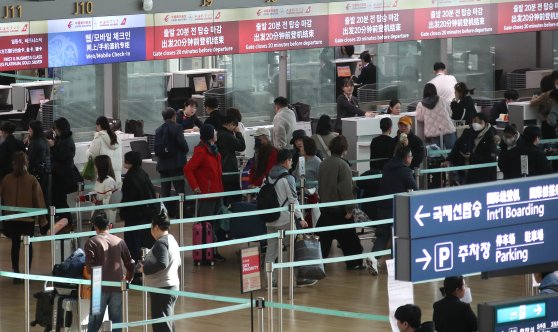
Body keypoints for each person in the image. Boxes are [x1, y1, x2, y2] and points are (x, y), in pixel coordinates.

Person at [264, 149, 315, 287]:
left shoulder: (268, 177)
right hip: (286, 219)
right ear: (286, 161)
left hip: (270, 219)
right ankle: (299, 278)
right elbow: (293, 200)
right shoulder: (288, 178)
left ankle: (270, 281)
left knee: (271, 250)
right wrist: (301, 218)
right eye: (291, 160)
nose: (291, 163)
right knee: (293, 249)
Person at [317, 135, 364, 270]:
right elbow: (346, 189)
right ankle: (354, 263)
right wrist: (350, 209)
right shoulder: (343, 165)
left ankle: (316, 263)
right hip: (340, 209)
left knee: (323, 240)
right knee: (350, 239)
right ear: (344, 149)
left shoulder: (323, 163)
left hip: (326, 208)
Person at [369, 146, 417, 275]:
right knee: (398, 235)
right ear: (406, 158)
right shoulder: (405, 171)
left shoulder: (387, 166)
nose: (412, 158)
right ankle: (396, 264)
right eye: (411, 156)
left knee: (383, 234)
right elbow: (414, 187)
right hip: (396, 207)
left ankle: (373, 257)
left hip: (382, 205)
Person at [0, 152, 47, 283]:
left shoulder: (6, 179)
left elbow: (2, 195)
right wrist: (43, 220)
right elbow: (38, 200)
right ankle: (27, 273)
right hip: (27, 219)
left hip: (11, 218)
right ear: (27, 163)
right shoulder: (32, 180)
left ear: (13, 163)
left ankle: (16, 273)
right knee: (28, 245)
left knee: (15, 245)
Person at [85, 213, 134, 332]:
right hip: (117, 285)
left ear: (95, 227)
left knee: (94, 323)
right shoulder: (119, 241)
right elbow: (130, 263)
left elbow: (89, 268)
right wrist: (128, 278)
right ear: (110, 226)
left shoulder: (91, 242)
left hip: (98, 287)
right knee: (116, 322)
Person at [183, 124, 226, 261]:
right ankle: (205, 253)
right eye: (214, 132)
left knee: (214, 225)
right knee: (207, 224)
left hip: (216, 192)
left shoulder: (213, 151)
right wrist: (195, 187)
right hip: (207, 194)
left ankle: (212, 251)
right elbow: (188, 169)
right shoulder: (202, 151)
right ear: (210, 136)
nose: (216, 134)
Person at [138, 211, 181, 332]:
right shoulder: (172, 240)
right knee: (167, 323)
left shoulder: (161, 243)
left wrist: (144, 268)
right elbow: (177, 262)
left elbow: (162, 263)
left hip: (162, 289)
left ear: (156, 227)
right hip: (171, 286)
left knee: (161, 326)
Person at [120, 151, 157, 263]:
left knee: (133, 242)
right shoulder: (142, 173)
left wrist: (122, 211)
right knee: (143, 241)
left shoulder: (130, 177)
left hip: (134, 215)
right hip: (145, 214)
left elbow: (128, 198)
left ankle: (136, 267)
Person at [154, 108, 189, 217]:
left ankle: (166, 214)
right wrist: (186, 150)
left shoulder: (158, 129)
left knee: (165, 190)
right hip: (176, 164)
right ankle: (181, 213)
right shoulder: (177, 127)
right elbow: (182, 144)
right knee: (180, 189)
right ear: (174, 116)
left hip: (162, 165)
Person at [446, 113, 498, 184]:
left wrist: (472, 157)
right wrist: (449, 159)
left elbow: (490, 157)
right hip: (466, 170)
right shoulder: (468, 132)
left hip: (483, 174)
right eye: (474, 121)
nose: (476, 124)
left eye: (480, 122)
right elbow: (457, 145)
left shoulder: (491, 136)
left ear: (485, 123)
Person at [49, 117, 78, 223]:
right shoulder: (62, 139)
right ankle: (64, 222)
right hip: (58, 175)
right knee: (58, 201)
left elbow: (62, 156)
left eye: (55, 128)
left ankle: (67, 222)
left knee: (61, 201)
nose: (54, 130)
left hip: (62, 177)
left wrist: (52, 146)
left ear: (60, 129)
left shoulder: (68, 142)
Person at [416, 83, 457, 150]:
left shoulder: (420, 104)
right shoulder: (442, 100)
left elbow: (420, 118)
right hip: (448, 129)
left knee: (436, 155)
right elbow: (450, 113)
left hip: (433, 133)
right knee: (453, 152)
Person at [217, 114, 246, 202]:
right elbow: (241, 146)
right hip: (229, 169)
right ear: (229, 124)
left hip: (223, 168)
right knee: (234, 195)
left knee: (227, 195)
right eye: (234, 126)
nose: (235, 128)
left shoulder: (220, 133)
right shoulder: (226, 135)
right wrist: (238, 133)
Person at [86, 116, 123, 182]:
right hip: (116, 175)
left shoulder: (99, 138)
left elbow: (91, 156)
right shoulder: (116, 138)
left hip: (103, 175)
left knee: (103, 190)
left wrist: (88, 150)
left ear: (99, 125)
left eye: (96, 126)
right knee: (115, 190)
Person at [25, 120, 51, 206]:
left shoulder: (35, 143)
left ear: (34, 130)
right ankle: (47, 218)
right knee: (44, 197)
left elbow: (31, 159)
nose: (28, 131)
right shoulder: (44, 141)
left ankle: (41, 218)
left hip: (37, 173)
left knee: (37, 198)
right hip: (45, 172)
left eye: (30, 129)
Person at [92, 155, 118, 224]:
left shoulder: (109, 181)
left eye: (95, 165)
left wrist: (98, 202)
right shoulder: (99, 179)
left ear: (100, 166)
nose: (94, 167)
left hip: (105, 216)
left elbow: (111, 199)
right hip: (98, 212)